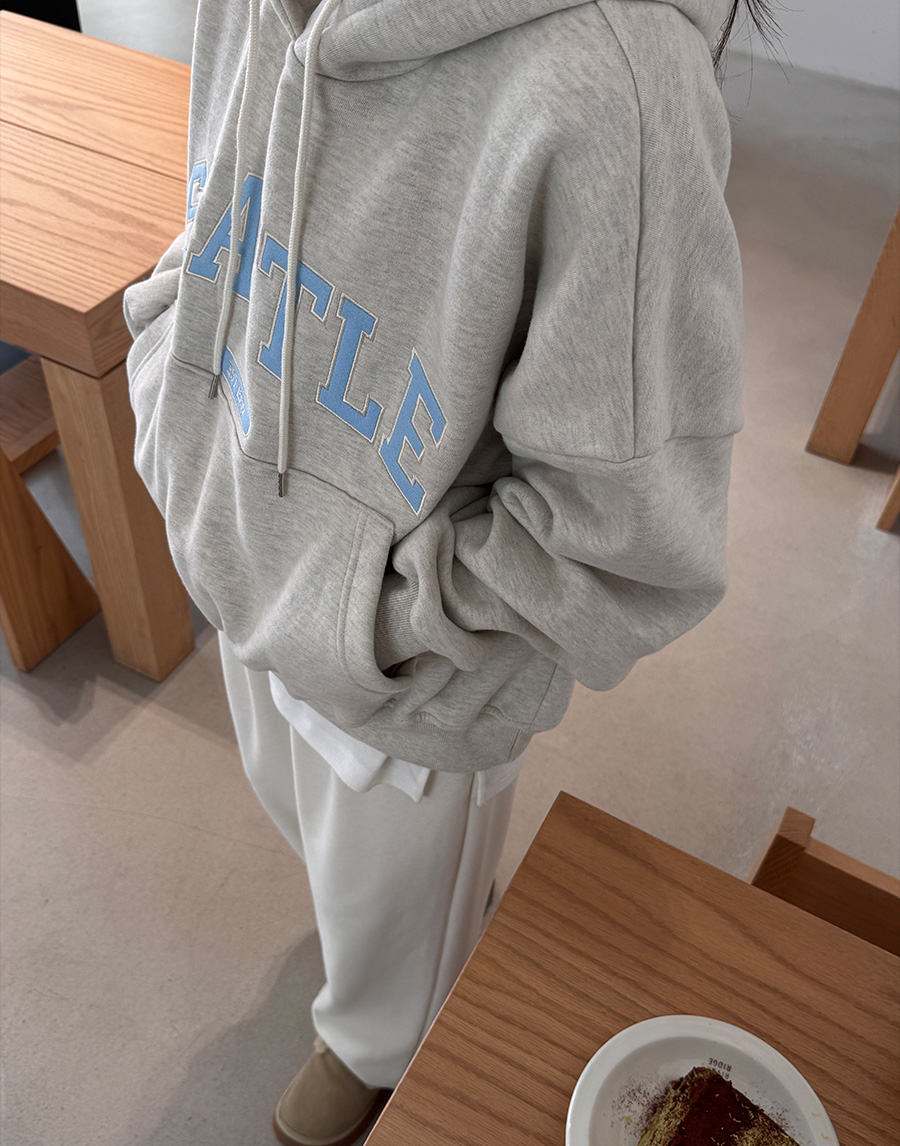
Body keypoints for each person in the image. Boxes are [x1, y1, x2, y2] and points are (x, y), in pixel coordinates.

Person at [123, 1, 779, 1142]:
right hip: (240, 537)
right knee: (304, 819)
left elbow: (631, 539)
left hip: (413, 668)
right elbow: (220, 206)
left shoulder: (618, 85)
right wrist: (169, 394)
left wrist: (386, 621)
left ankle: (374, 1047)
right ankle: (398, 966)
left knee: (398, 936)